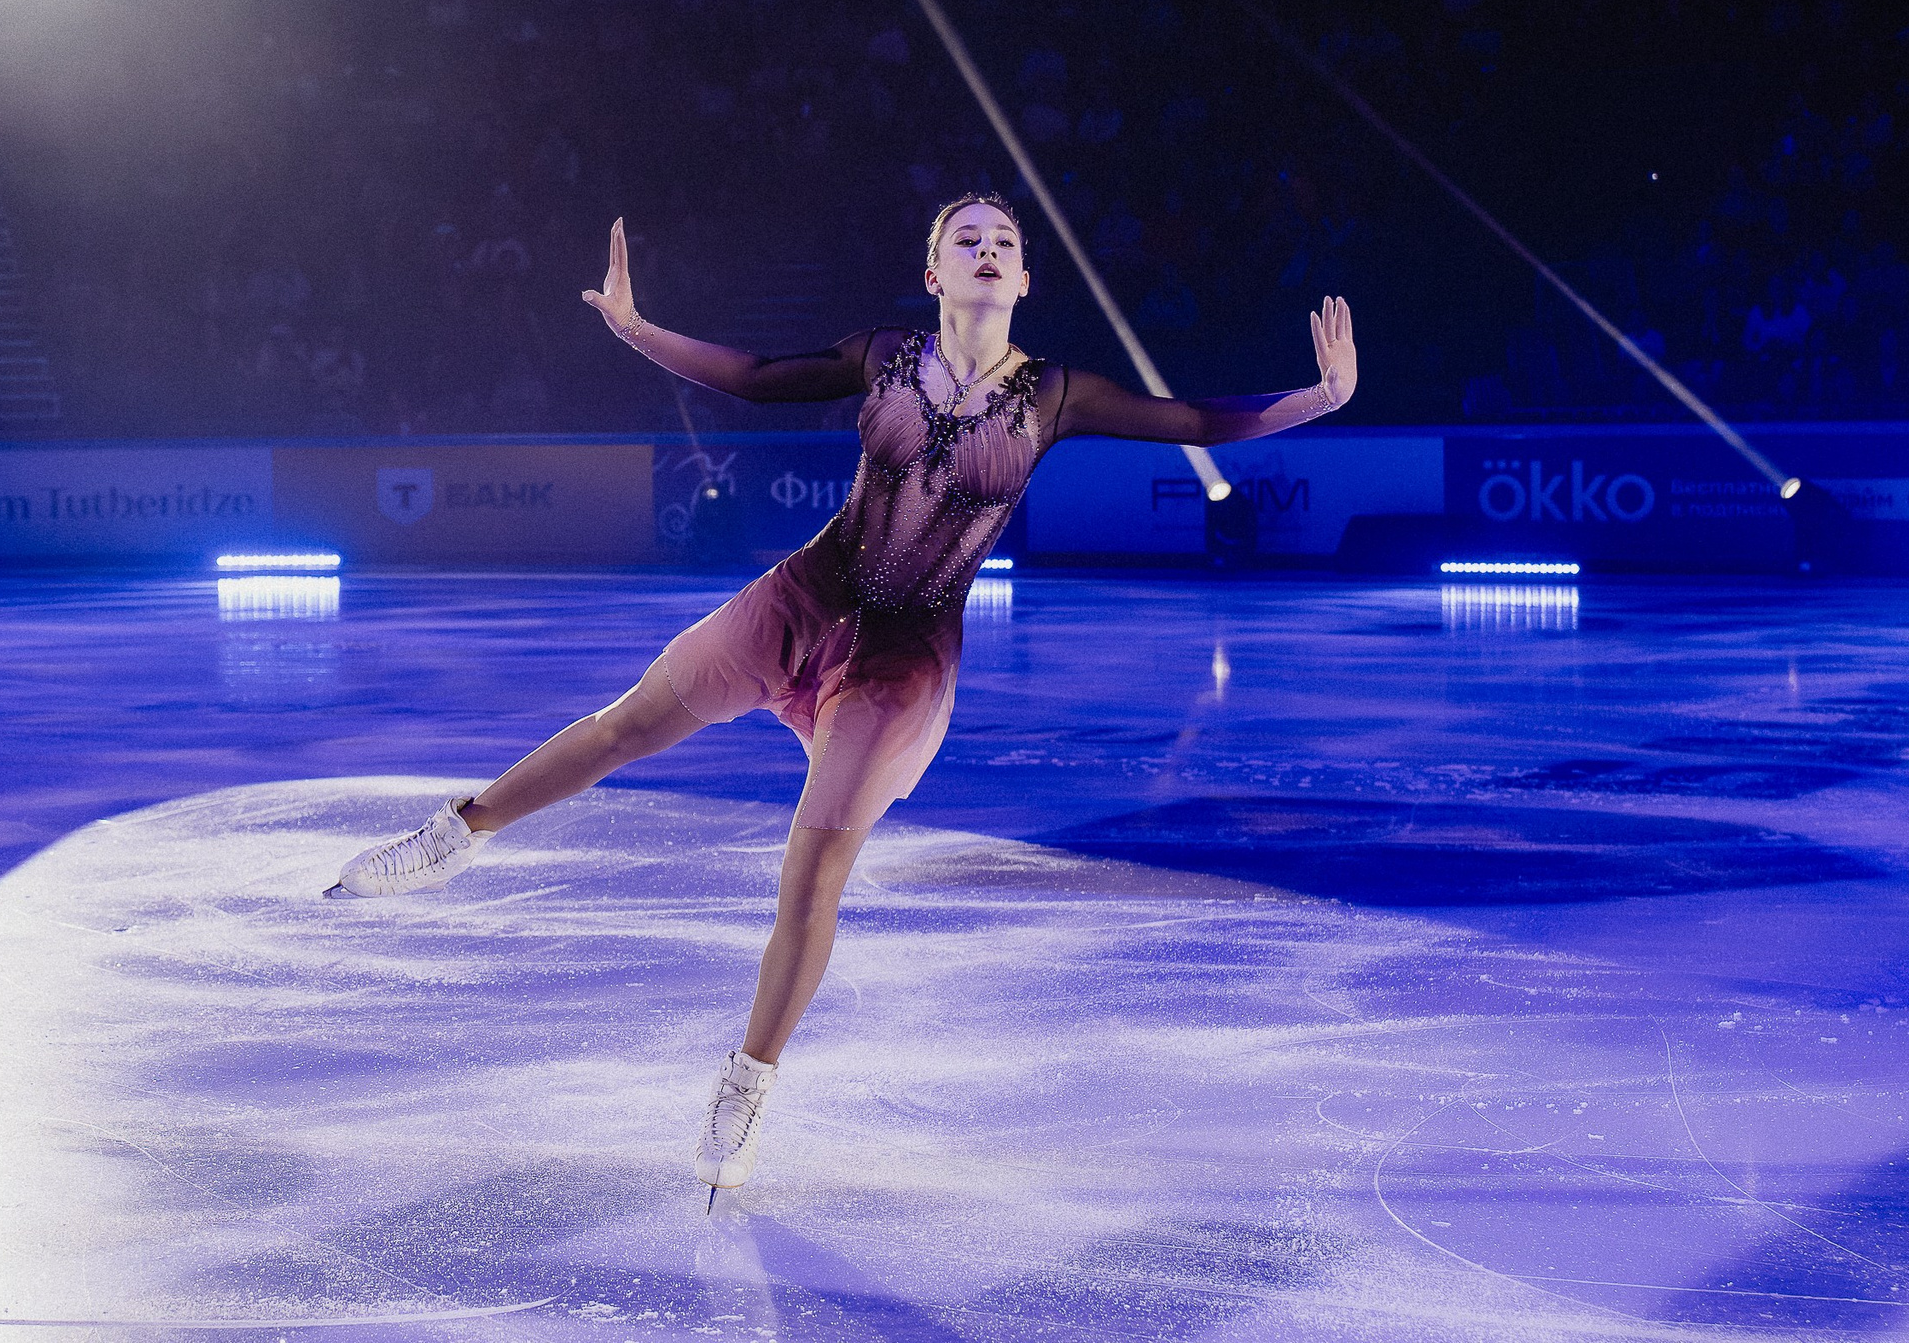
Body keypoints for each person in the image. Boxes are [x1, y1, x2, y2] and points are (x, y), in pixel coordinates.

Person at [335, 194, 1359, 1195]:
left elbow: (1192, 419)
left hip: (903, 662)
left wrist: (1317, 398)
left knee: (812, 870)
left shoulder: (1055, 394)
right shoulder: (885, 359)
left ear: (1026, 277)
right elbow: (748, 377)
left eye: (1005, 241)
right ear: (935, 274)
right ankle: (454, 835)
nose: (988, 250)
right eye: (968, 239)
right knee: (627, 726)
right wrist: (637, 328)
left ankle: (746, 1080)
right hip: (804, 598)